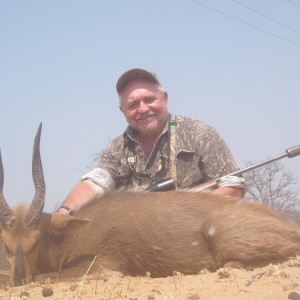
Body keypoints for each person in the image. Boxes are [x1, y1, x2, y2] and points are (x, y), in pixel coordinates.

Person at [57, 68, 245, 216]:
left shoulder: (200, 133)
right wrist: (64, 213)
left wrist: (185, 212)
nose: (143, 109)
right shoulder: (117, 149)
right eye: (133, 105)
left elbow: (233, 187)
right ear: (122, 112)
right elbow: (94, 183)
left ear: (164, 99)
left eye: (149, 99)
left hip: (197, 226)